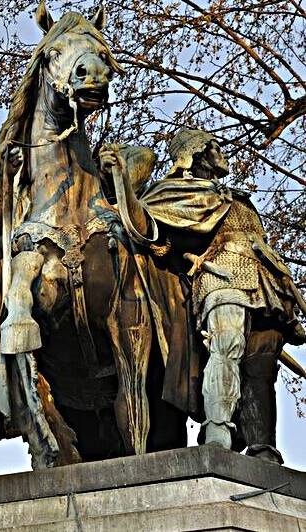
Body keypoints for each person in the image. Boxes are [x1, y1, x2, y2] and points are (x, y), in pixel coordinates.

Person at [102, 128, 306, 463]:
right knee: (226, 349)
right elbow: (146, 227)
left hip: (267, 287)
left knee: (262, 366)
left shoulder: (236, 196)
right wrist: (123, 182)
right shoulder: (177, 193)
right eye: (214, 147)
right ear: (197, 153)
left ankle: (262, 447)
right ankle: (217, 434)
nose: (220, 152)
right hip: (220, 279)